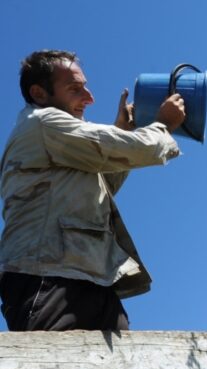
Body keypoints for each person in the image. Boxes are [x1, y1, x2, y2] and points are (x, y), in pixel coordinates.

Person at [0, 50, 186, 331]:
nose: (89, 97)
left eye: (85, 86)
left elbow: (103, 182)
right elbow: (133, 149)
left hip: (88, 275)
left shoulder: (55, 135)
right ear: (39, 93)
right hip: (46, 274)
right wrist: (163, 125)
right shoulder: (44, 122)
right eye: (75, 89)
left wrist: (122, 128)